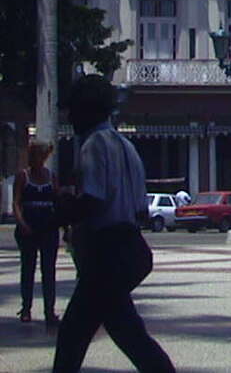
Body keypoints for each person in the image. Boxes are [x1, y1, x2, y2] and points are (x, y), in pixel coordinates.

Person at [52, 75, 175, 373]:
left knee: (73, 335)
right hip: (131, 248)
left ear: (88, 110)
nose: (70, 117)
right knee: (126, 331)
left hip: (106, 253)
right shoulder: (127, 146)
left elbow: (93, 200)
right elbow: (140, 209)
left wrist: (59, 213)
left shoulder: (94, 145)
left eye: (74, 110)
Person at [13, 140, 60, 325]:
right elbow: (16, 202)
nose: (37, 160)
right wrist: (21, 222)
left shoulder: (51, 177)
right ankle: (26, 308)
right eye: (33, 156)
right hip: (29, 225)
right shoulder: (23, 177)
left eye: (40, 156)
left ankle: (50, 310)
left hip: (48, 225)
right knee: (28, 268)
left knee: (49, 270)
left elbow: (57, 201)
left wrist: (65, 226)